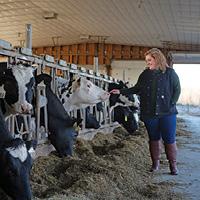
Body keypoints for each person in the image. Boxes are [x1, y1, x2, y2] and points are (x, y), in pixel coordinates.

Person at [110, 48, 181, 175]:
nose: (147, 62)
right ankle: (155, 164)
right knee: (153, 138)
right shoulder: (145, 74)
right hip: (149, 113)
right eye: (146, 60)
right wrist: (121, 91)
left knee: (169, 139)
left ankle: (173, 165)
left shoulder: (170, 73)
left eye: (149, 60)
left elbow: (177, 89)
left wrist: (171, 104)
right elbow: (137, 88)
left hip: (167, 113)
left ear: (157, 59)